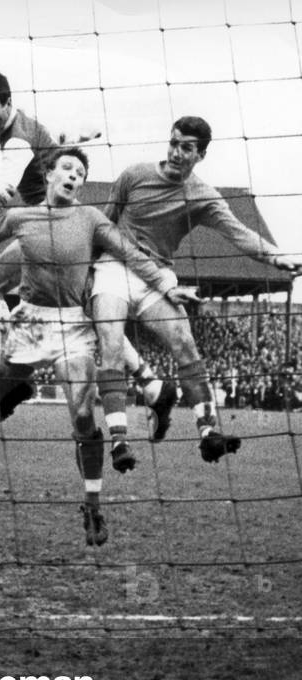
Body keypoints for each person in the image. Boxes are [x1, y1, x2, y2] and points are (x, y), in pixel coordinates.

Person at [0, 147, 194, 545]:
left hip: (73, 329)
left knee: (82, 417)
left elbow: (130, 251)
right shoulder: (24, 218)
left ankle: (93, 506)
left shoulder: (90, 218)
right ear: (49, 174)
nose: (74, 176)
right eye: (67, 168)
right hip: (29, 325)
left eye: (80, 172)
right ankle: (19, 388)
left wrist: (166, 284)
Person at [0, 69, 168, 413]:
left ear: (8, 103)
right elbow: (52, 147)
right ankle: (150, 383)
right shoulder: (28, 125)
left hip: (49, 226)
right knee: (85, 308)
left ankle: (15, 372)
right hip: (58, 224)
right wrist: (78, 136)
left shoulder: (16, 142)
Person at [92, 116, 300, 466]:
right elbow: (102, 224)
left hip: (159, 275)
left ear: (200, 154)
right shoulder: (133, 175)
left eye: (186, 147)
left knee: (184, 342)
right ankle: (119, 442)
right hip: (114, 268)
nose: (176, 153)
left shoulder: (203, 195)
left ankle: (208, 433)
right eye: (173, 143)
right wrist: (85, 272)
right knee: (110, 342)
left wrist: (277, 257)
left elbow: (239, 233)